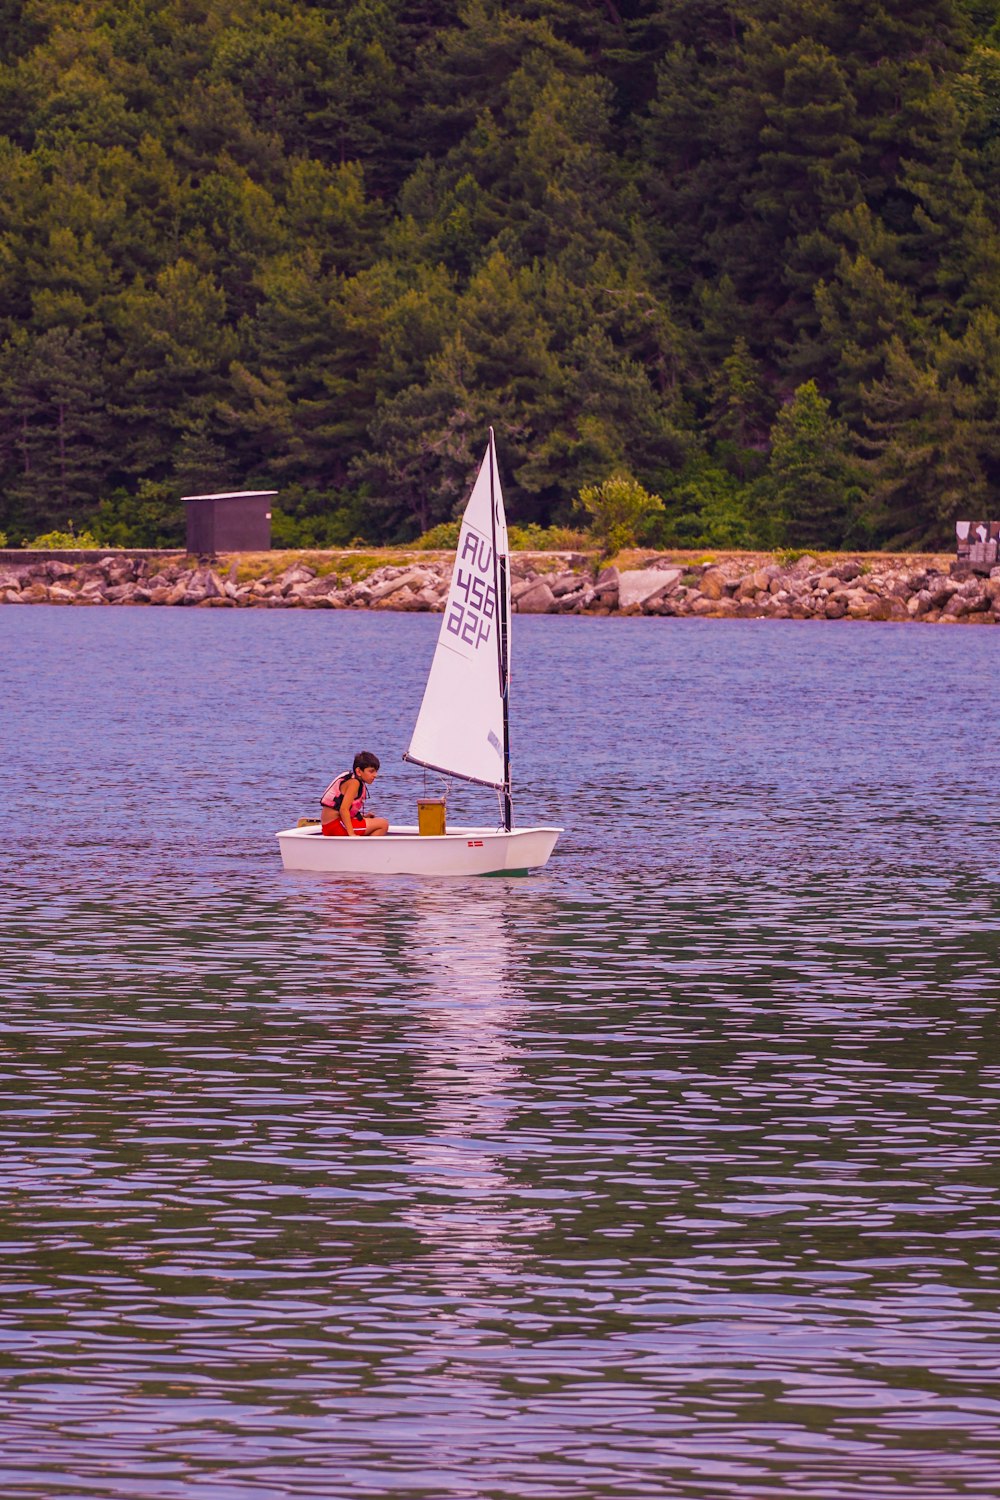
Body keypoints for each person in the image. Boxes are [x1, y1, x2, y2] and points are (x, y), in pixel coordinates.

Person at [320, 751, 389, 838]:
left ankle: (360, 847)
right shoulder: (354, 783)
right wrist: (351, 834)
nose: (375, 775)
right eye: (371, 771)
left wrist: (363, 817)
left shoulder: (354, 780)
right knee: (383, 824)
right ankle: (366, 850)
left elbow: (346, 809)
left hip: (331, 825)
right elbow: (343, 809)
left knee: (374, 821)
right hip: (335, 826)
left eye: (376, 771)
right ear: (359, 771)